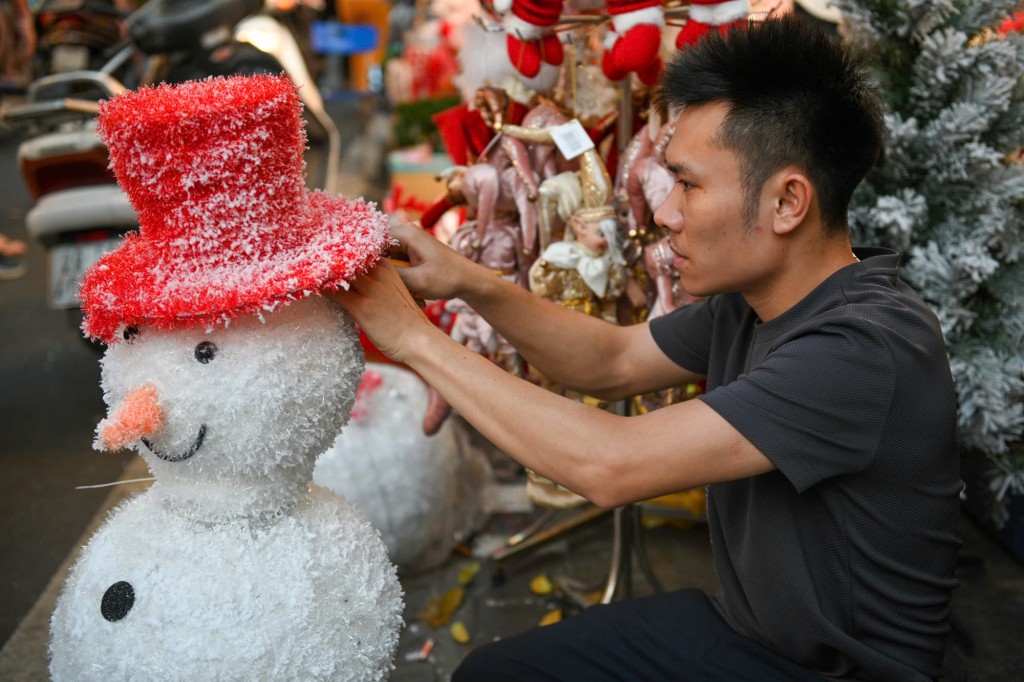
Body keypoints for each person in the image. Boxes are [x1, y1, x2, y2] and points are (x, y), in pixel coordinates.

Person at [329, 15, 961, 682]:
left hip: (833, 673)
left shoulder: (864, 349)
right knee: (497, 672)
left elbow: (611, 464)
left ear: (788, 202)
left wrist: (411, 338)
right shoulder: (754, 300)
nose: (665, 213)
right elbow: (610, 361)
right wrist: (468, 282)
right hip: (752, 632)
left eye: (688, 184)